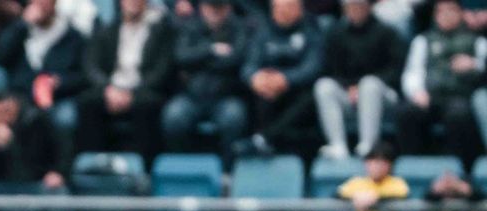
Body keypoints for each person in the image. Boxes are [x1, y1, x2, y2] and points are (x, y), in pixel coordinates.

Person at [76, 0, 175, 163]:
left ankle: (144, 167)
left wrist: (133, 93)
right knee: (87, 102)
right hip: (112, 88)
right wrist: (107, 88)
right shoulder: (108, 30)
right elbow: (91, 65)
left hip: (143, 89)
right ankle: (93, 164)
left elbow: (162, 70)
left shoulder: (160, 30)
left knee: (147, 105)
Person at [0, 0, 88, 154]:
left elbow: (83, 76)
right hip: (20, 95)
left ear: (54, 4)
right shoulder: (20, 30)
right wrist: (22, 24)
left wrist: (60, 82)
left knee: (66, 117)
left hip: (58, 98)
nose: (40, 5)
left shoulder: (72, 37)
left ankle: (63, 166)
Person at [313, 0, 405, 159]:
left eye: (359, 5)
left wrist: (361, 87)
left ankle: (368, 145)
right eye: (351, 6)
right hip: (349, 94)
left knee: (369, 84)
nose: (355, 10)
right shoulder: (336, 34)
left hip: (384, 95)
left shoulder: (387, 32)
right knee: (324, 86)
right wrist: (349, 87)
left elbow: (396, 69)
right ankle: (338, 145)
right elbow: (329, 68)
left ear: (368, 7)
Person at [396, 0, 486, 160]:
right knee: (407, 113)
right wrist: (417, 92)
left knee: (459, 115)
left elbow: (484, 67)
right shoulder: (423, 40)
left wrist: (474, 65)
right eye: (441, 11)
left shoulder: (477, 41)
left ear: (461, 13)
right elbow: (413, 71)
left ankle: (461, 165)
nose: (446, 15)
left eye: (451, 10)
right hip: (430, 96)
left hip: (461, 97)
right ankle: (413, 161)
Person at [236, 0, 324, 157]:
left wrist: (285, 79)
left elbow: (313, 67)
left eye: (289, 7)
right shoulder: (263, 33)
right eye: (279, 8)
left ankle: (264, 139)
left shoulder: (311, 31)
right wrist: (255, 78)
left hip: (297, 89)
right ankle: (262, 141)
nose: (283, 12)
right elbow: (249, 65)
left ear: (299, 9)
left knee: (313, 94)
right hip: (268, 88)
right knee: (252, 92)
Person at [163, 0, 251, 156]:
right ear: (202, 8)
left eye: (220, 8)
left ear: (228, 8)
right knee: (173, 116)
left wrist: (198, 62)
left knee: (234, 117)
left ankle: (228, 166)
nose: (215, 12)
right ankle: (184, 162)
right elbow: (181, 57)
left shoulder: (239, 28)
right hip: (192, 97)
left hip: (225, 97)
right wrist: (211, 50)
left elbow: (236, 59)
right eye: (211, 8)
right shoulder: (190, 26)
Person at [335, 139, 407, 211]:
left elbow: (402, 194)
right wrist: (355, 197)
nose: (377, 166)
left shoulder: (396, 182)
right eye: (373, 161)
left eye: (382, 162)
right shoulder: (357, 182)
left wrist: (374, 198)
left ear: (390, 165)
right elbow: (337, 194)